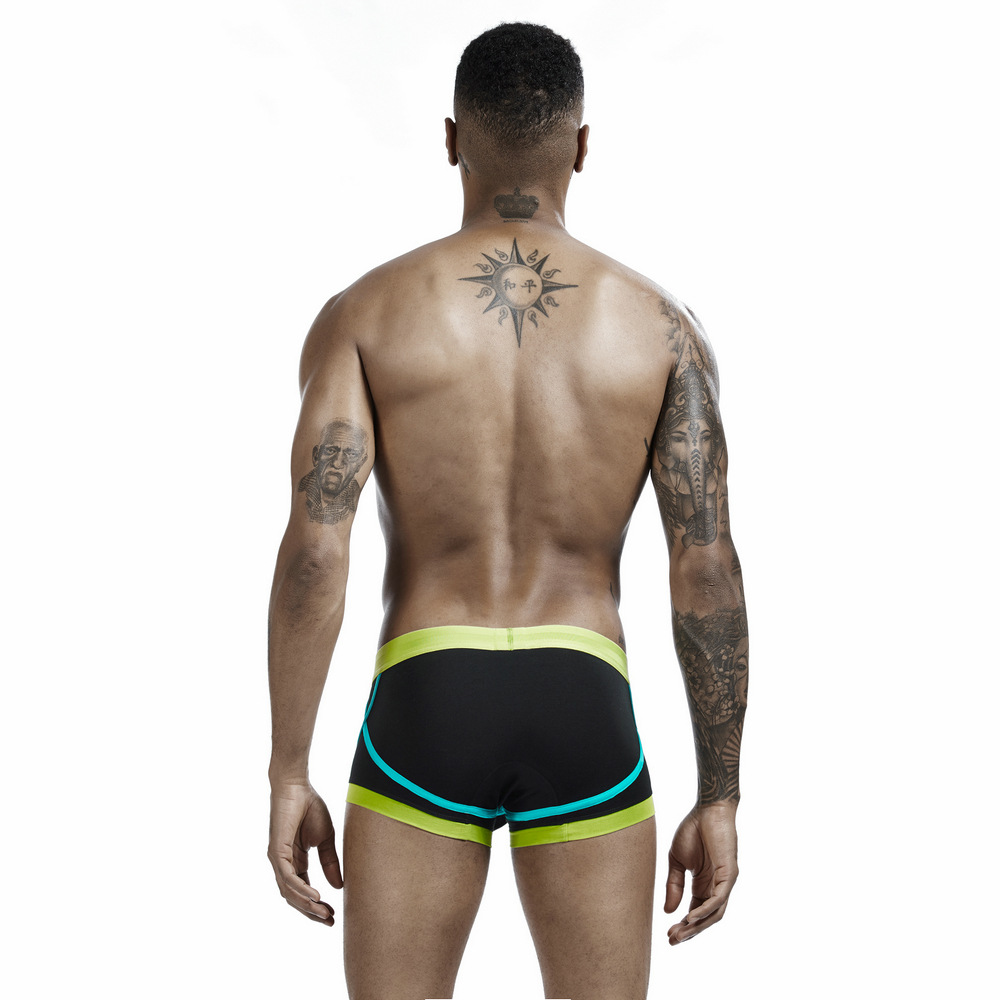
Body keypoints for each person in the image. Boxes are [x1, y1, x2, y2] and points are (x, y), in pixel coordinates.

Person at [267, 22, 748, 1000]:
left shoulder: (365, 314)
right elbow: (705, 566)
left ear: (452, 140)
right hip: (584, 693)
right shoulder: (662, 329)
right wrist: (721, 794)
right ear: (582, 145)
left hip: (427, 690)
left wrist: (288, 768)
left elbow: (317, 550)